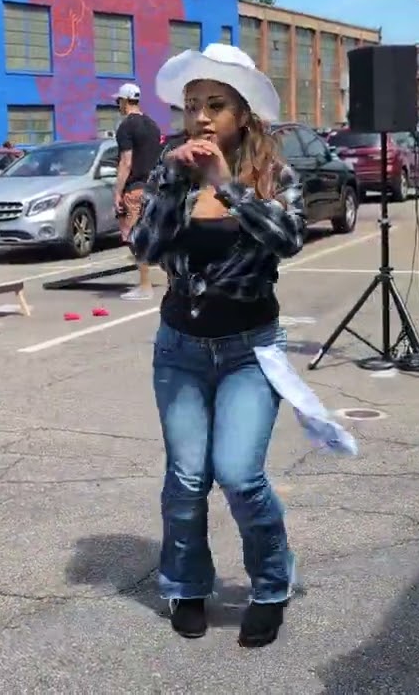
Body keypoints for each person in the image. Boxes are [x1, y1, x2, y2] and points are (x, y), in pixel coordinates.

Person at [130, 44, 306, 647]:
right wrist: (174, 182)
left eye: (216, 105)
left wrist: (227, 186)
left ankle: (271, 584)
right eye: (192, 105)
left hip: (251, 350)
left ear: (244, 114)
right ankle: (185, 585)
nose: (201, 118)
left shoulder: (276, 176)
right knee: (185, 476)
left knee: (238, 473)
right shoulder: (170, 171)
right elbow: (145, 248)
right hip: (180, 346)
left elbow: (288, 239)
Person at [112, 82, 162, 301]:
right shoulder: (153, 125)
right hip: (154, 189)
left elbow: (126, 162)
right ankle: (169, 280)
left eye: (118, 102)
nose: (118, 106)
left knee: (135, 238)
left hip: (135, 189)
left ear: (124, 101)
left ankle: (144, 286)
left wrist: (117, 192)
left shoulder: (126, 127)